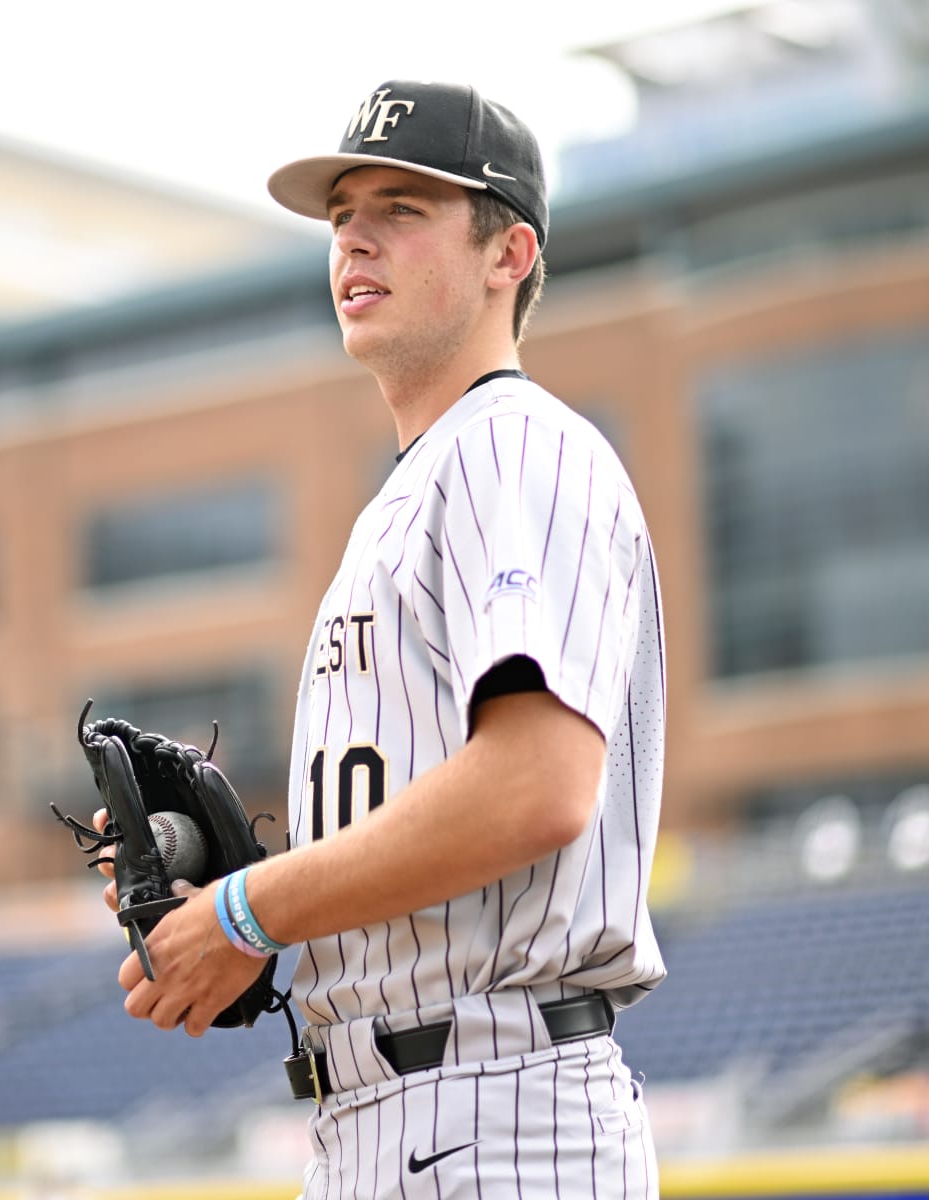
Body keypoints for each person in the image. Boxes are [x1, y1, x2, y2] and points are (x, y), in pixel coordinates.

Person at [109, 79, 667, 1197]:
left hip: (500, 1107)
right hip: (387, 1112)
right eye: (341, 212)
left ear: (510, 253)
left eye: (402, 208)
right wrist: (273, 926)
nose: (354, 234)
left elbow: (535, 789)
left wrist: (247, 912)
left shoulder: (514, 449)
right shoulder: (411, 495)